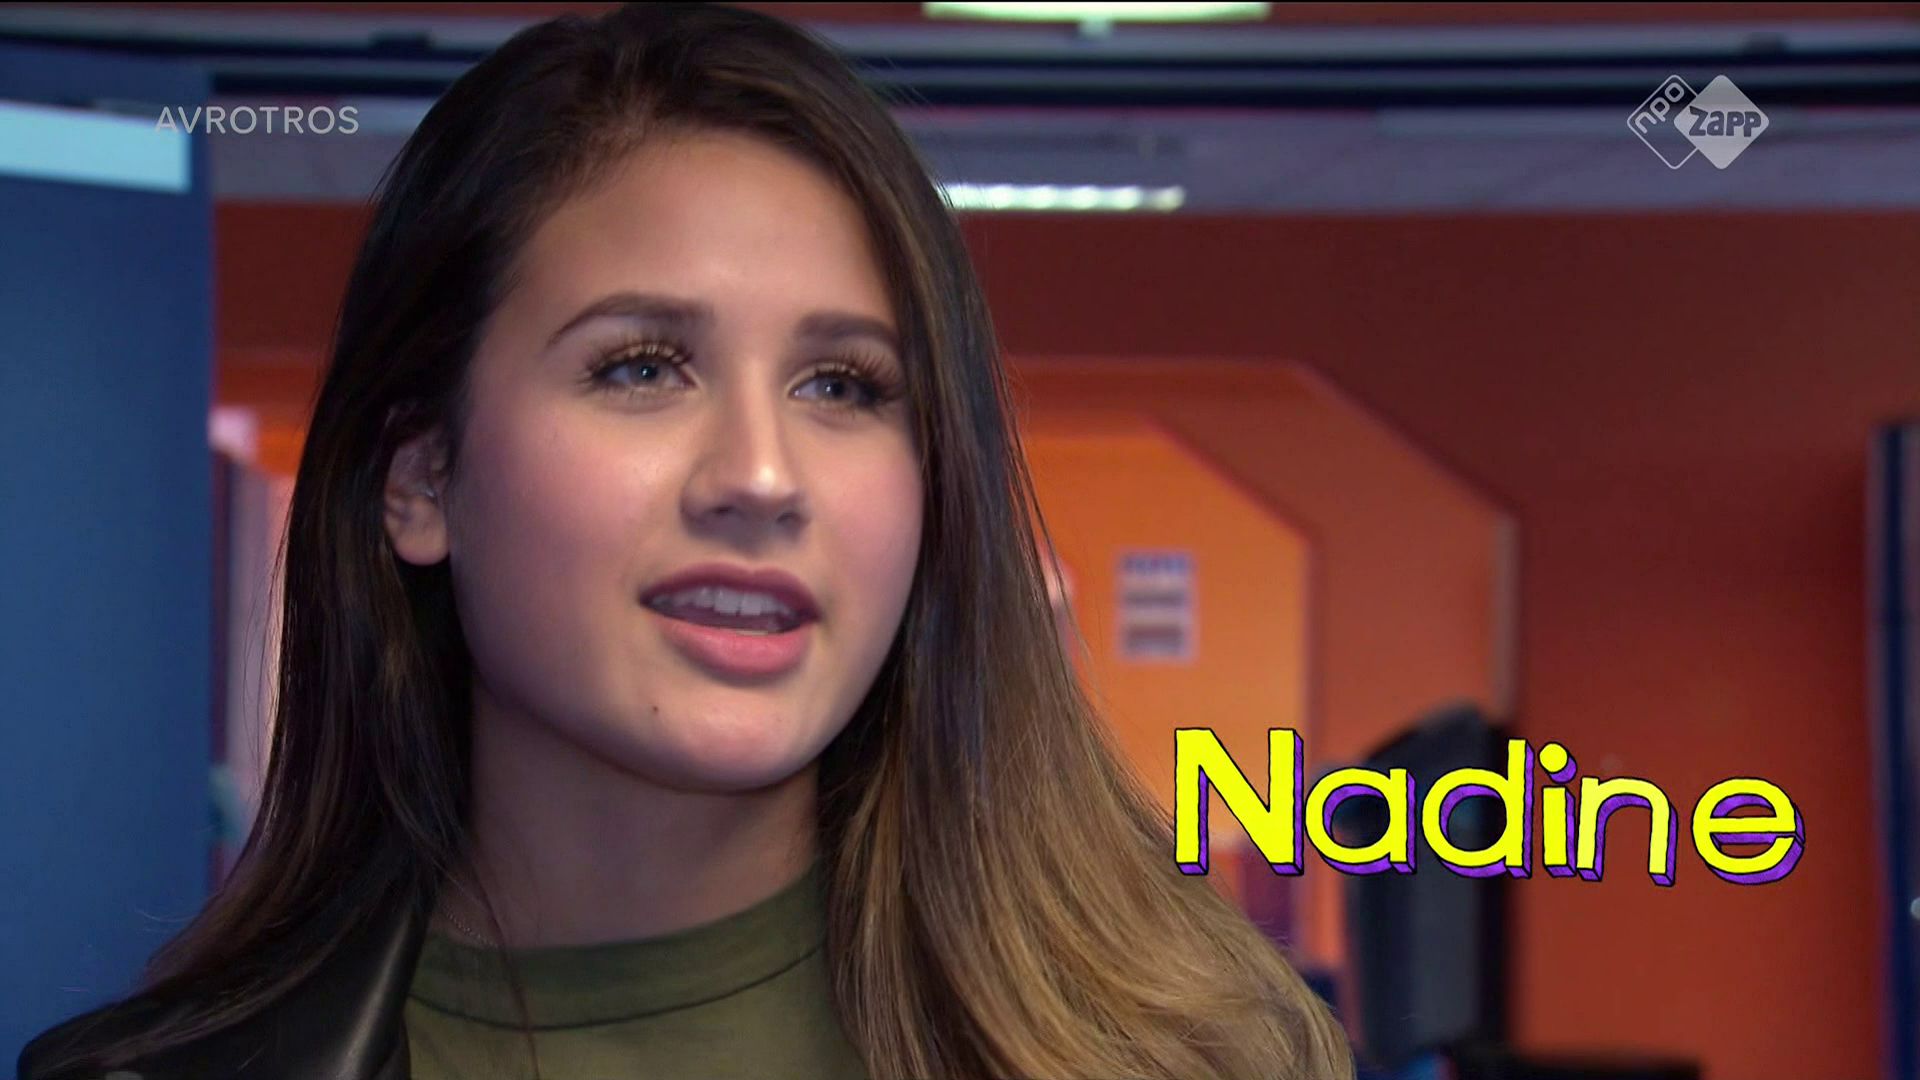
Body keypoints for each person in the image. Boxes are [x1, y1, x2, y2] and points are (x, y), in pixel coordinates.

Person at [19, 4, 1354, 1078]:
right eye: (643, 368)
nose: (762, 477)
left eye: (843, 386)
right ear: (421, 475)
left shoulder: (1205, 1054)